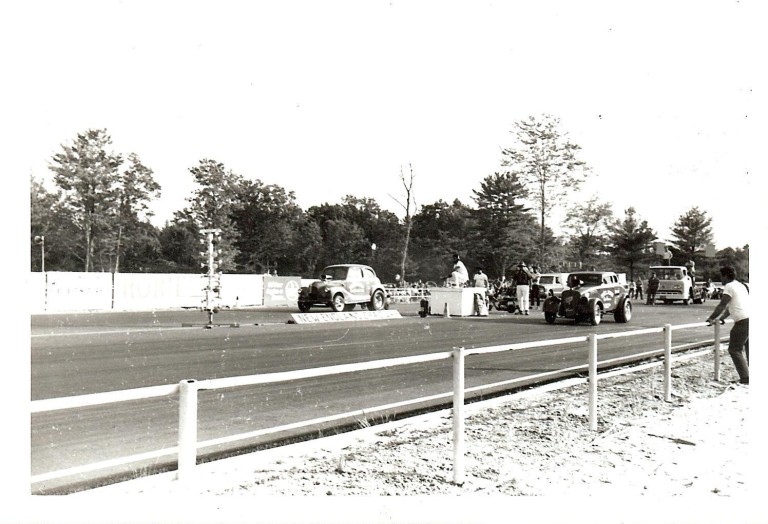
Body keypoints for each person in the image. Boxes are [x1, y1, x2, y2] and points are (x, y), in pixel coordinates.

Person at [706, 266, 749, 384]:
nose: (721, 279)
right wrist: (721, 318)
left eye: (721, 276)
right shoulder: (741, 285)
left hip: (743, 321)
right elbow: (732, 307)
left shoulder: (729, 286)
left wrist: (711, 318)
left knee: (734, 349)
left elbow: (722, 305)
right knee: (749, 348)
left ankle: (746, 378)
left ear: (725, 276)